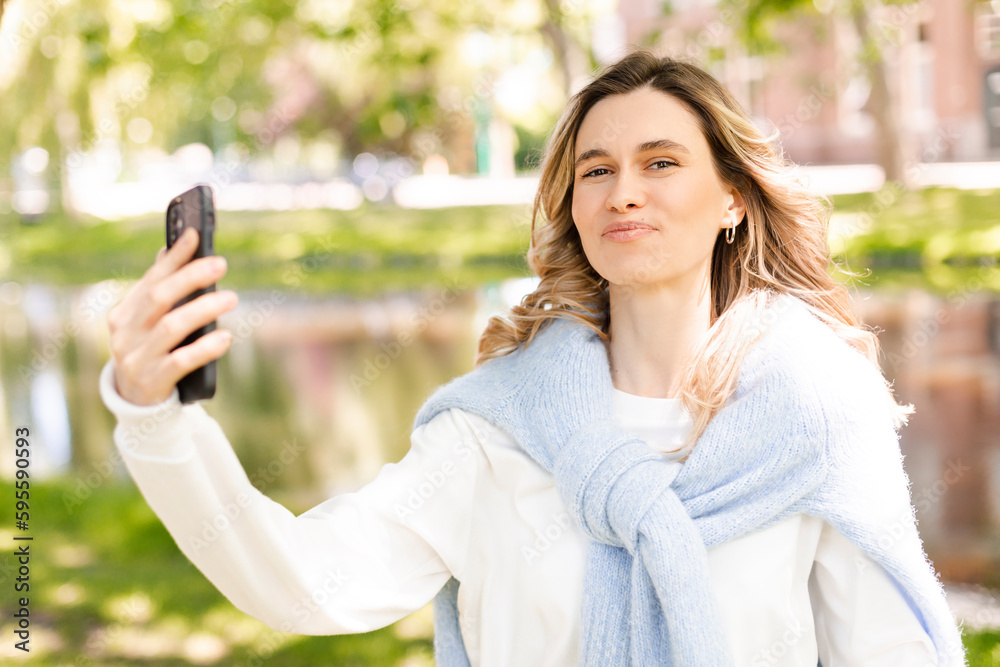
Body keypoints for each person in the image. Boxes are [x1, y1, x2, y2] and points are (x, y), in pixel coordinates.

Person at [101, 50, 966, 666]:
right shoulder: (493, 432)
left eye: (660, 162)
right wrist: (154, 417)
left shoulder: (818, 414)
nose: (624, 189)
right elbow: (303, 582)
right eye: (596, 170)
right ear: (575, 207)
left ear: (733, 199)